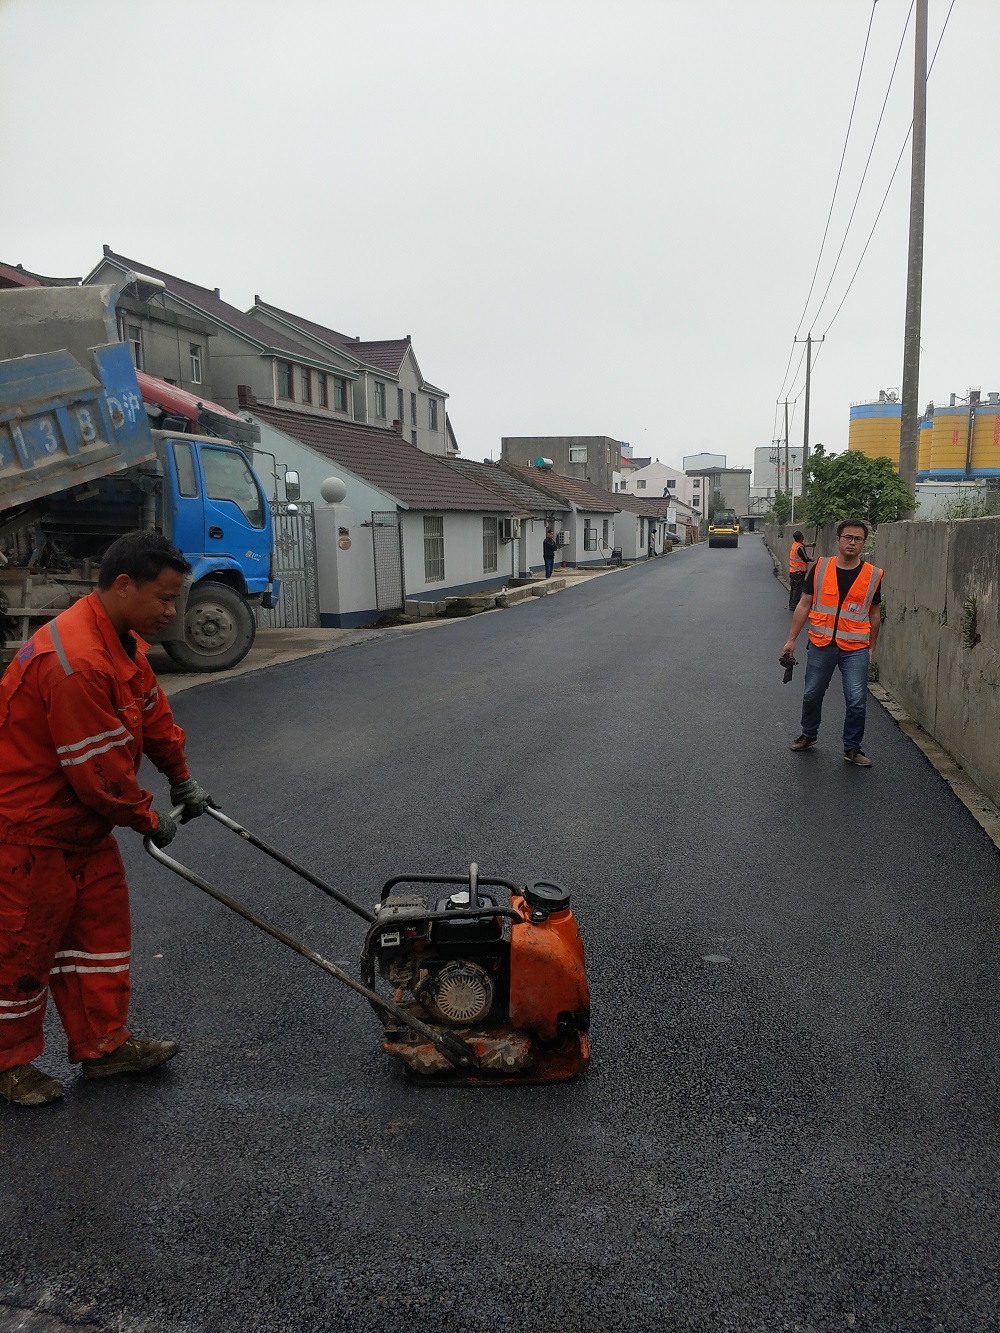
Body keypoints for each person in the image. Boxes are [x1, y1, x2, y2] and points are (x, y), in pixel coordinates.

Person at [0, 532, 217, 1107]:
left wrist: (181, 778)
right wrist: (150, 819)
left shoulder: (121, 644)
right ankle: (10, 1065)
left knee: (97, 938)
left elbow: (152, 716)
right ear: (124, 586)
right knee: (22, 950)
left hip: (80, 827)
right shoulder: (75, 662)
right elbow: (96, 774)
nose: (172, 611)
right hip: (28, 831)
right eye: (165, 599)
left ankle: (102, 1046)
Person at [781, 518, 883, 767]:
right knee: (812, 694)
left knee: (857, 700)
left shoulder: (872, 575)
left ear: (864, 543)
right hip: (821, 644)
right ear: (838, 539)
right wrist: (791, 640)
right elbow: (804, 604)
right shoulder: (821, 568)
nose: (852, 542)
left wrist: (871, 647)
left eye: (858, 539)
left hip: (855, 649)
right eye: (848, 537)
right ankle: (809, 734)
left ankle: (852, 747)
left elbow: (875, 613)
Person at [788, 529, 811, 610]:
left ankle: (791, 604)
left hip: (792, 571)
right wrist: (810, 559)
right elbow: (805, 558)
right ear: (802, 537)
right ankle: (794, 606)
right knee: (798, 589)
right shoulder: (800, 547)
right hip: (799, 572)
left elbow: (802, 546)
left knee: (793, 589)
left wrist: (810, 545)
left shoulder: (794, 545)